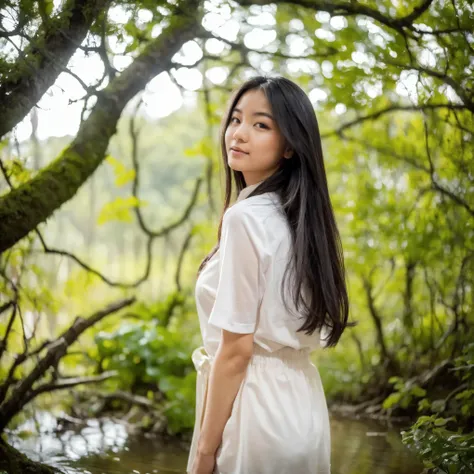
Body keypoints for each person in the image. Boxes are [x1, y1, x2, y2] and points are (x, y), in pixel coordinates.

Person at [187, 75, 352, 474]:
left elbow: (235, 353)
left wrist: (204, 453)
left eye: (261, 125)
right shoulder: (301, 221)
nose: (239, 134)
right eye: (236, 120)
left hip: (253, 409)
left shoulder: (246, 218)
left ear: (291, 145)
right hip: (304, 408)